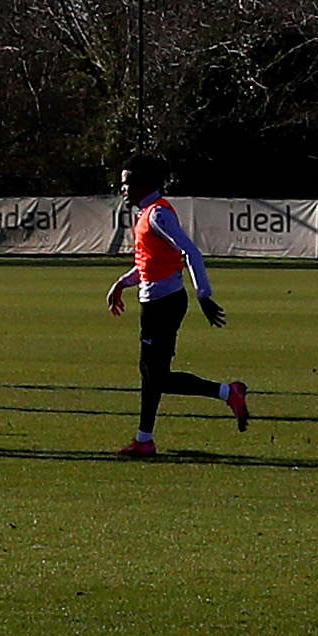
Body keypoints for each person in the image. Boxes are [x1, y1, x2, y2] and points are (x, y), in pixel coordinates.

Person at [106, 159, 248, 457]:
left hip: (165, 303)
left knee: (155, 375)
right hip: (154, 302)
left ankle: (227, 392)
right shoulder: (147, 214)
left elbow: (191, 251)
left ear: (143, 184)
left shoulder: (158, 214)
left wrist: (204, 294)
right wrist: (122, 283)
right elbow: (148, 263)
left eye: (127, 182)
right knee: (150, 372)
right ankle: (144, 439)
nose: (123, 188)